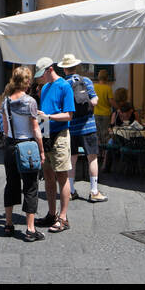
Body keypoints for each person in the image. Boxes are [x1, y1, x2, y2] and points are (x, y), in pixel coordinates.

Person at [0, 66, 45, 241]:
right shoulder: (30, 102)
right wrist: (41, 151)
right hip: (27, 146)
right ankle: (30, 229)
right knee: (31, 186)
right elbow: (35, 129)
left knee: (11, 183)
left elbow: (4, 128)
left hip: (10, 145)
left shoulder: (6, 101)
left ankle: (8, 224)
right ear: (27, 82)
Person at [35, 57, 74, 231]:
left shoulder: (65, 86)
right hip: (47, 134)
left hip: (60, 135)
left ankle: (63, 217)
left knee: (62, 176)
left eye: (41, 74)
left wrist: (48, 117)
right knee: (49, 176)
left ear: (50, 69)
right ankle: (52, 213)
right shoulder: (44, 88)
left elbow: (68, 115)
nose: (40, 78)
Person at [60, 56, 105, 202]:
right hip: (88, 126)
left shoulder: (63, 84)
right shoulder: (86, 81)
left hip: (71, 128)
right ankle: (94, 191)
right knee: (92, 158)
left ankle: (71, 190)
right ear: (76, 67)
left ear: (64, 68)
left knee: (71, 160)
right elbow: (95, 100)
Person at [93, 68, 116, 161]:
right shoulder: (108, 88)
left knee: (97, 134)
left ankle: (98, 154)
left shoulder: (94, 87)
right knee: (105, 135)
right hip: (106, 114)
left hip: (96, 113)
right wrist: (117, 107)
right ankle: (105, 155)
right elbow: (111, 102)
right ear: (107, 78)